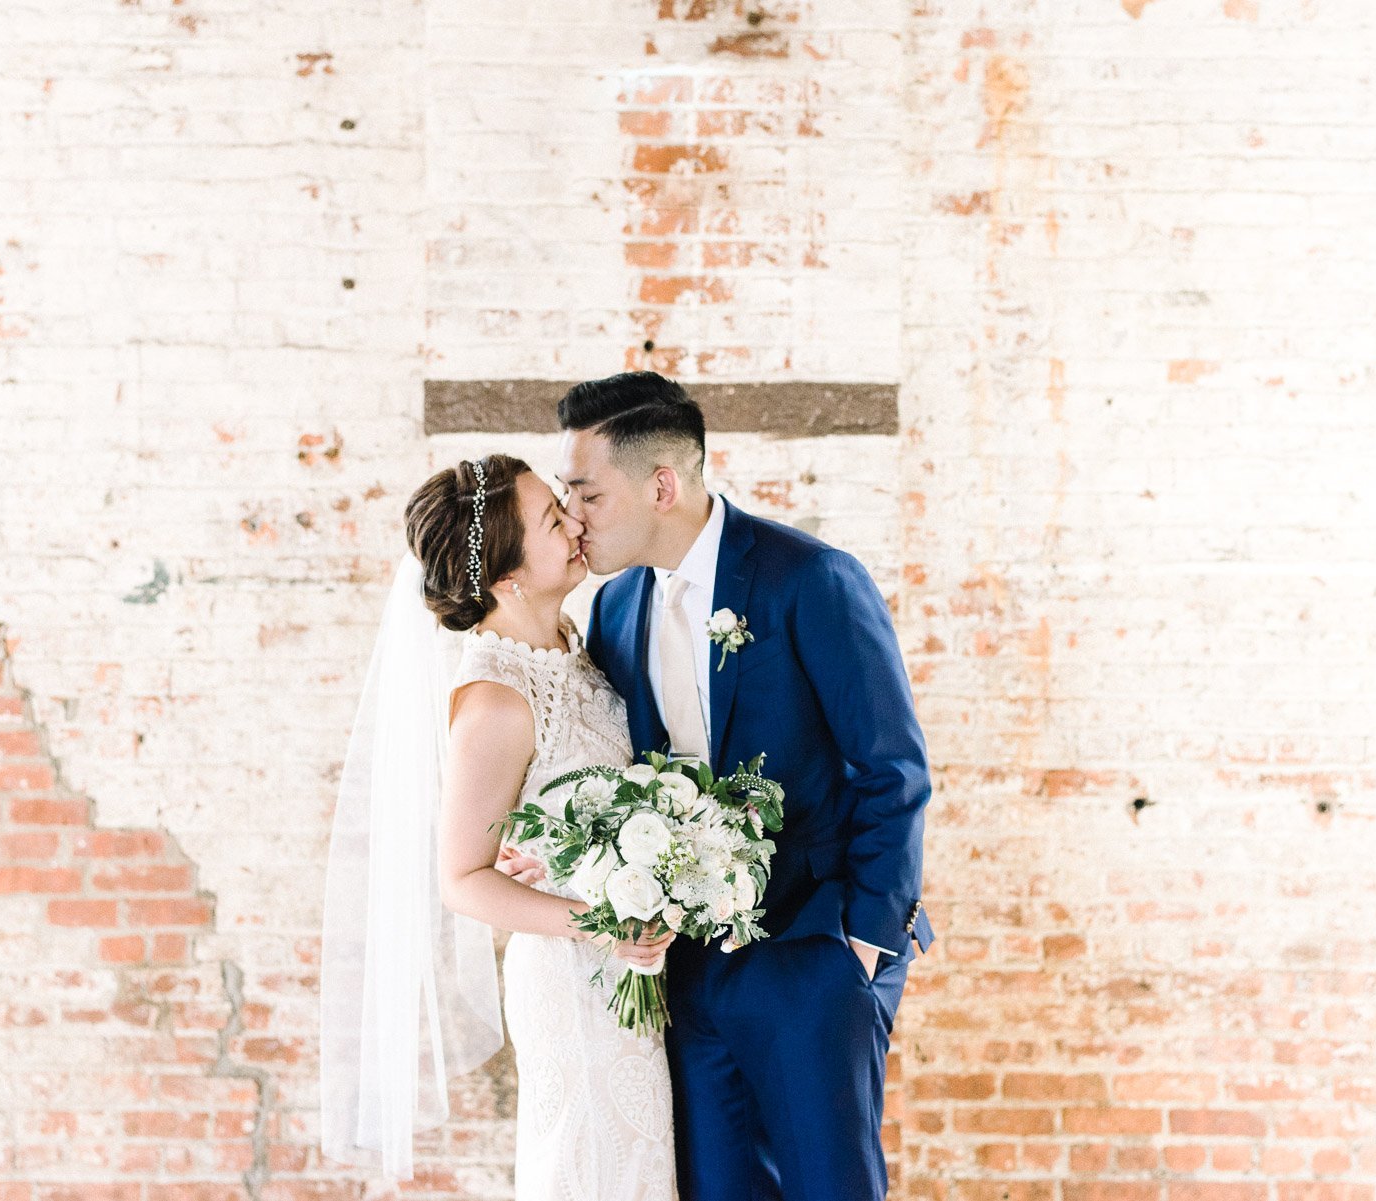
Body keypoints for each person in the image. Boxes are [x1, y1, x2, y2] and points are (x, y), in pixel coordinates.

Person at [552, 371, 935, 1201]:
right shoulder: (614, 610)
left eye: (585, 494)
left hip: (813, 954)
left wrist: (863, 946)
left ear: (662, 483)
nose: (572, 519)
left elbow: (893, 770)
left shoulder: (812, 579)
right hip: (686, 977)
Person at [319, 454, 677, 1200]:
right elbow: (461, 879)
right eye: (554, 518)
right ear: (507, 578)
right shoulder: (495, 697)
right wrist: (600, 922)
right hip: (575, 978)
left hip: (626, 967)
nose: (576, 522)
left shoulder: (570, 643)